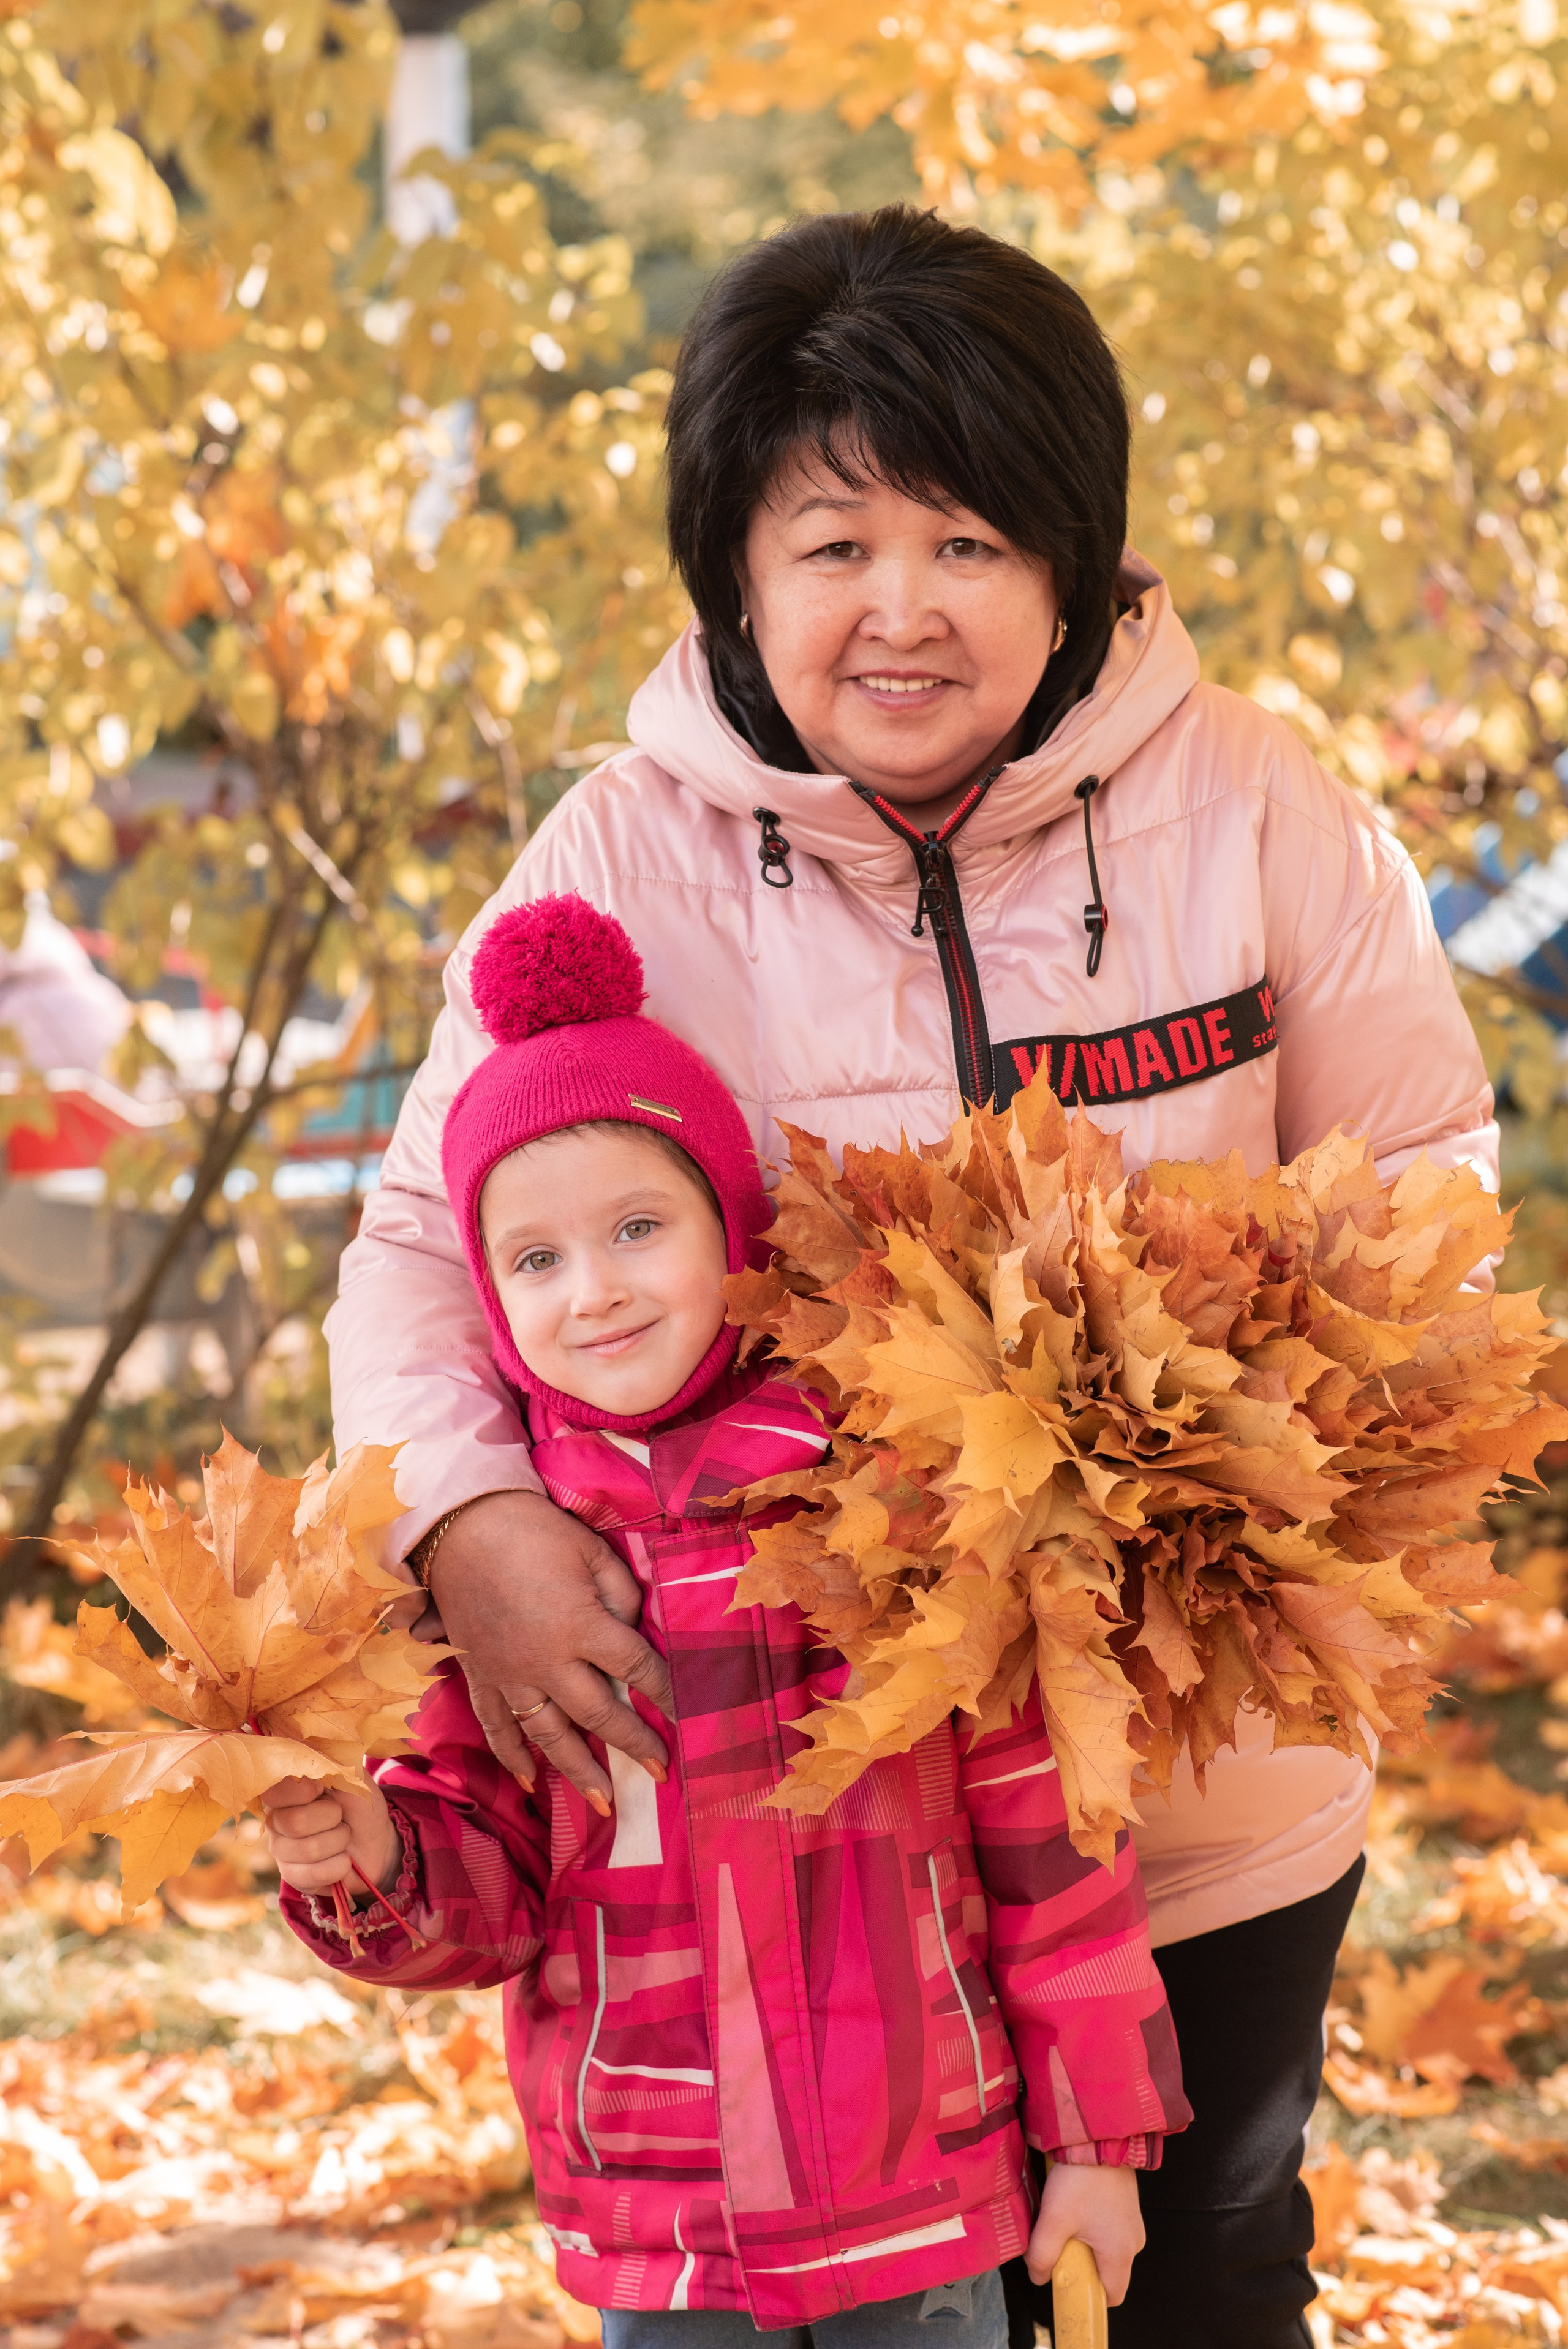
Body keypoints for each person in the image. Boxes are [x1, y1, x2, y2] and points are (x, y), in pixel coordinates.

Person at [324, 206, 1498, 2345]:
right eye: (834, 543)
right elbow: (422, 1239)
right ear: (738, 577)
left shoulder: (1255, 806)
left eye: (964, 541)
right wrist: (468, 1514)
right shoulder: (615, 858)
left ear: (1067, 560)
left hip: (1197, 1777)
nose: (901, 611)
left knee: (1208, 2262)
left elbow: (1423, 1182)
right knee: (892, 2312)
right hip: (817, 1823)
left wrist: (1267, 1482)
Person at [265, 894, 1190, 2344]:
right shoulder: (501, 1586)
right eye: (536, 1259)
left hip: (922, 2187)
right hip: (656, 2207)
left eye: (639, 1225)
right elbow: (491, 1888)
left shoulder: (891, 1506)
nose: (597, 1290)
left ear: (729, 1223)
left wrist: (1094, 2141)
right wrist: (373, 1861)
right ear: (492, 1300)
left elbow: (1053, 1836)